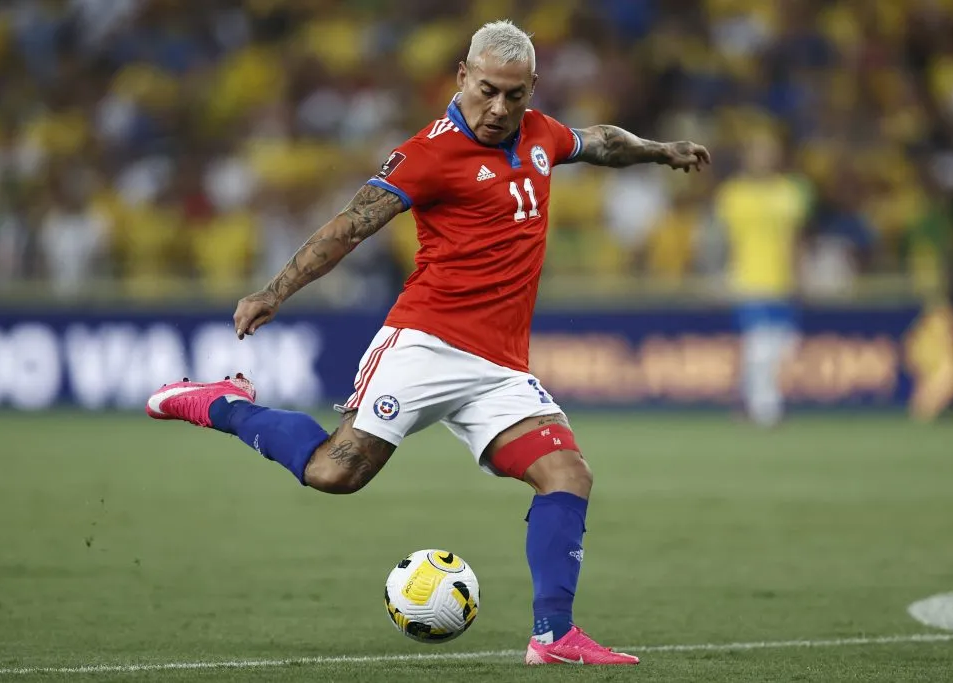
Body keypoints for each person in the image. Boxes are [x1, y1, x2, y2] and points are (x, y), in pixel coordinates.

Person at [147, 20, 709, 666]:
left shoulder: (540, 134)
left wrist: (660, 150)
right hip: (426, 343)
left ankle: (553, 635)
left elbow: (601, 142)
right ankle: (221, 402)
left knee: (567, 473)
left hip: (499, 366)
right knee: (335, 472)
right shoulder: (428, 154)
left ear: (533, 89)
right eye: (488, 91)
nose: (499, 108)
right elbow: (349, 226)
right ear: (462, 77)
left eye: (515, 96)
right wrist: (275, 291)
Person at [715, 131, 809, 427]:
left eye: (768, 152)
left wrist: (799, 275)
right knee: (758, 349)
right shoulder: (733, 194)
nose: (763, 159)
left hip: (782, 282)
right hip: (748, 281)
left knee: (783, 348)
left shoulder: (790, 192)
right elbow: (724, 241)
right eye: (757, 152)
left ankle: (750, 401)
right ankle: (765, 409)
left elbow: (796, 240)